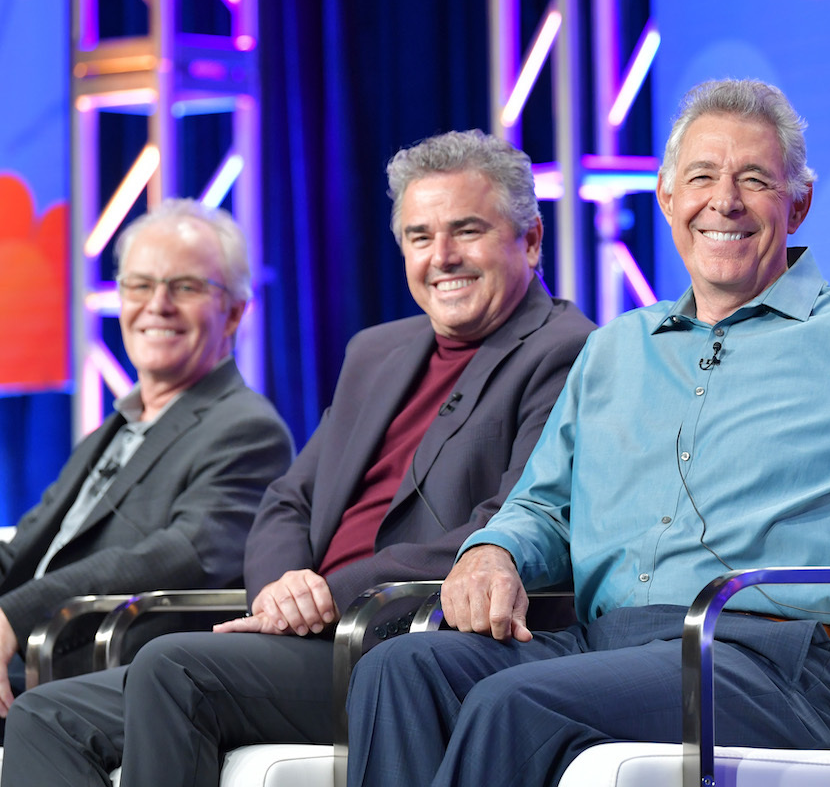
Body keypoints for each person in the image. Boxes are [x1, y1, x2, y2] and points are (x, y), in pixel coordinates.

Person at [343, 79, 830, 787]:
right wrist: (496, 549)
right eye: (702, 179)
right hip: (604, 647)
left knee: (515, 703)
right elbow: (543, 507)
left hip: (766, 660)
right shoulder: (615, 348)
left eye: (754, 180)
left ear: (799, 205)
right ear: (665, 196)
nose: (724, 201)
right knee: (401, 668)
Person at [0, 129, 595, 786]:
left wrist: (322, 599)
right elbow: (289, 501)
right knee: (46, 715)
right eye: (420, 238)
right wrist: (284, 583)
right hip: (306, 638)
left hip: (408, 643)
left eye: (467, 231)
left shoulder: (566, 351)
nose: (442, 257)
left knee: (175, 668)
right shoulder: (377, 352)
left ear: (532, 239)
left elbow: (512, 525)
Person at [0, 199, 293, 717]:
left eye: (185, 286)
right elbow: (25, 547)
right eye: (139, 285)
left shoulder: (247, 429)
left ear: (233, 312)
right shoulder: (112, 430)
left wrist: (14, 616)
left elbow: (179, 555)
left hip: (89, 671)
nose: (157, 305)